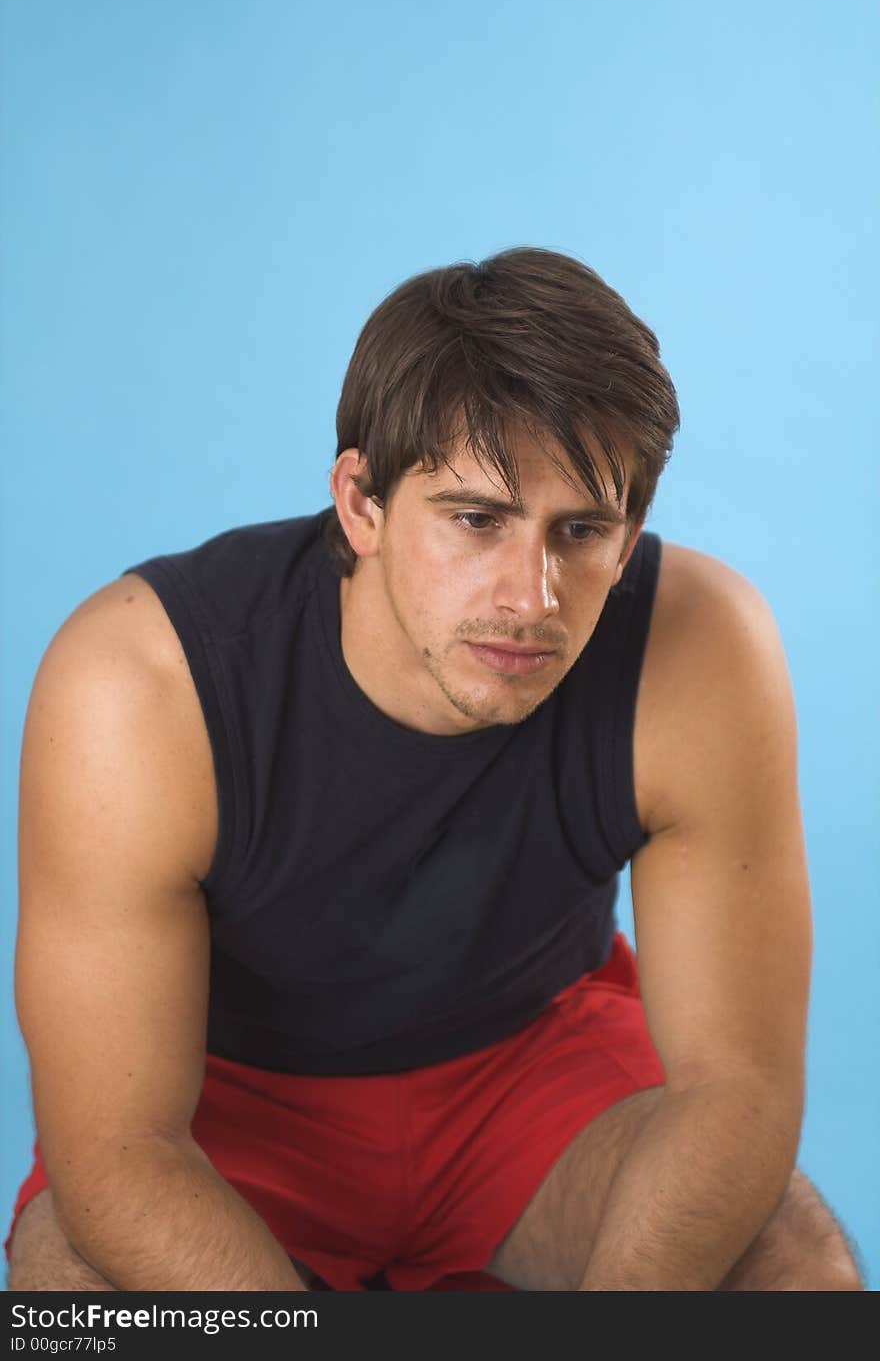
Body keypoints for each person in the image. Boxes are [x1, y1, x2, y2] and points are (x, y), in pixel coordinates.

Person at [6, 249, 863, 1291]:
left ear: (630, 531)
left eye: (581, 531)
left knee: (786, 1261)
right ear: (359, 503)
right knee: (72, 1297)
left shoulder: (699, 644)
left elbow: (735, 1085)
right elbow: (119, 1150)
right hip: (230, 1118)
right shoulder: (143, 683)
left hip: (530, 1080)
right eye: (475, 519)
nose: (531, 596)